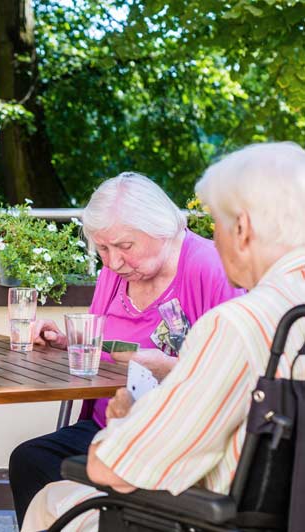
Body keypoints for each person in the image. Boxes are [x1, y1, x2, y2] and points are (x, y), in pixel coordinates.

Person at [22, 141, 305, 531]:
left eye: (215, 225)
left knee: (51, 498)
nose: (210, 241)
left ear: (241, 229)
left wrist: (123, 421)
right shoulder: (292, 308)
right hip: (278, 510)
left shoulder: (239, 324)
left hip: (200, 513)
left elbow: (116, 467)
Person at [9, 172, 243, 528]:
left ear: (161, 228)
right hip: (111, 424)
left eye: (124, 246)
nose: (113, 262)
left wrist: (167, 366)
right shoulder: (114, 275)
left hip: (175, 435)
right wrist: (67, 339)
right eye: (103, 249)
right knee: (31, 459)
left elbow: (234, 371)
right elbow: (102, 339)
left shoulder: (209, 268)